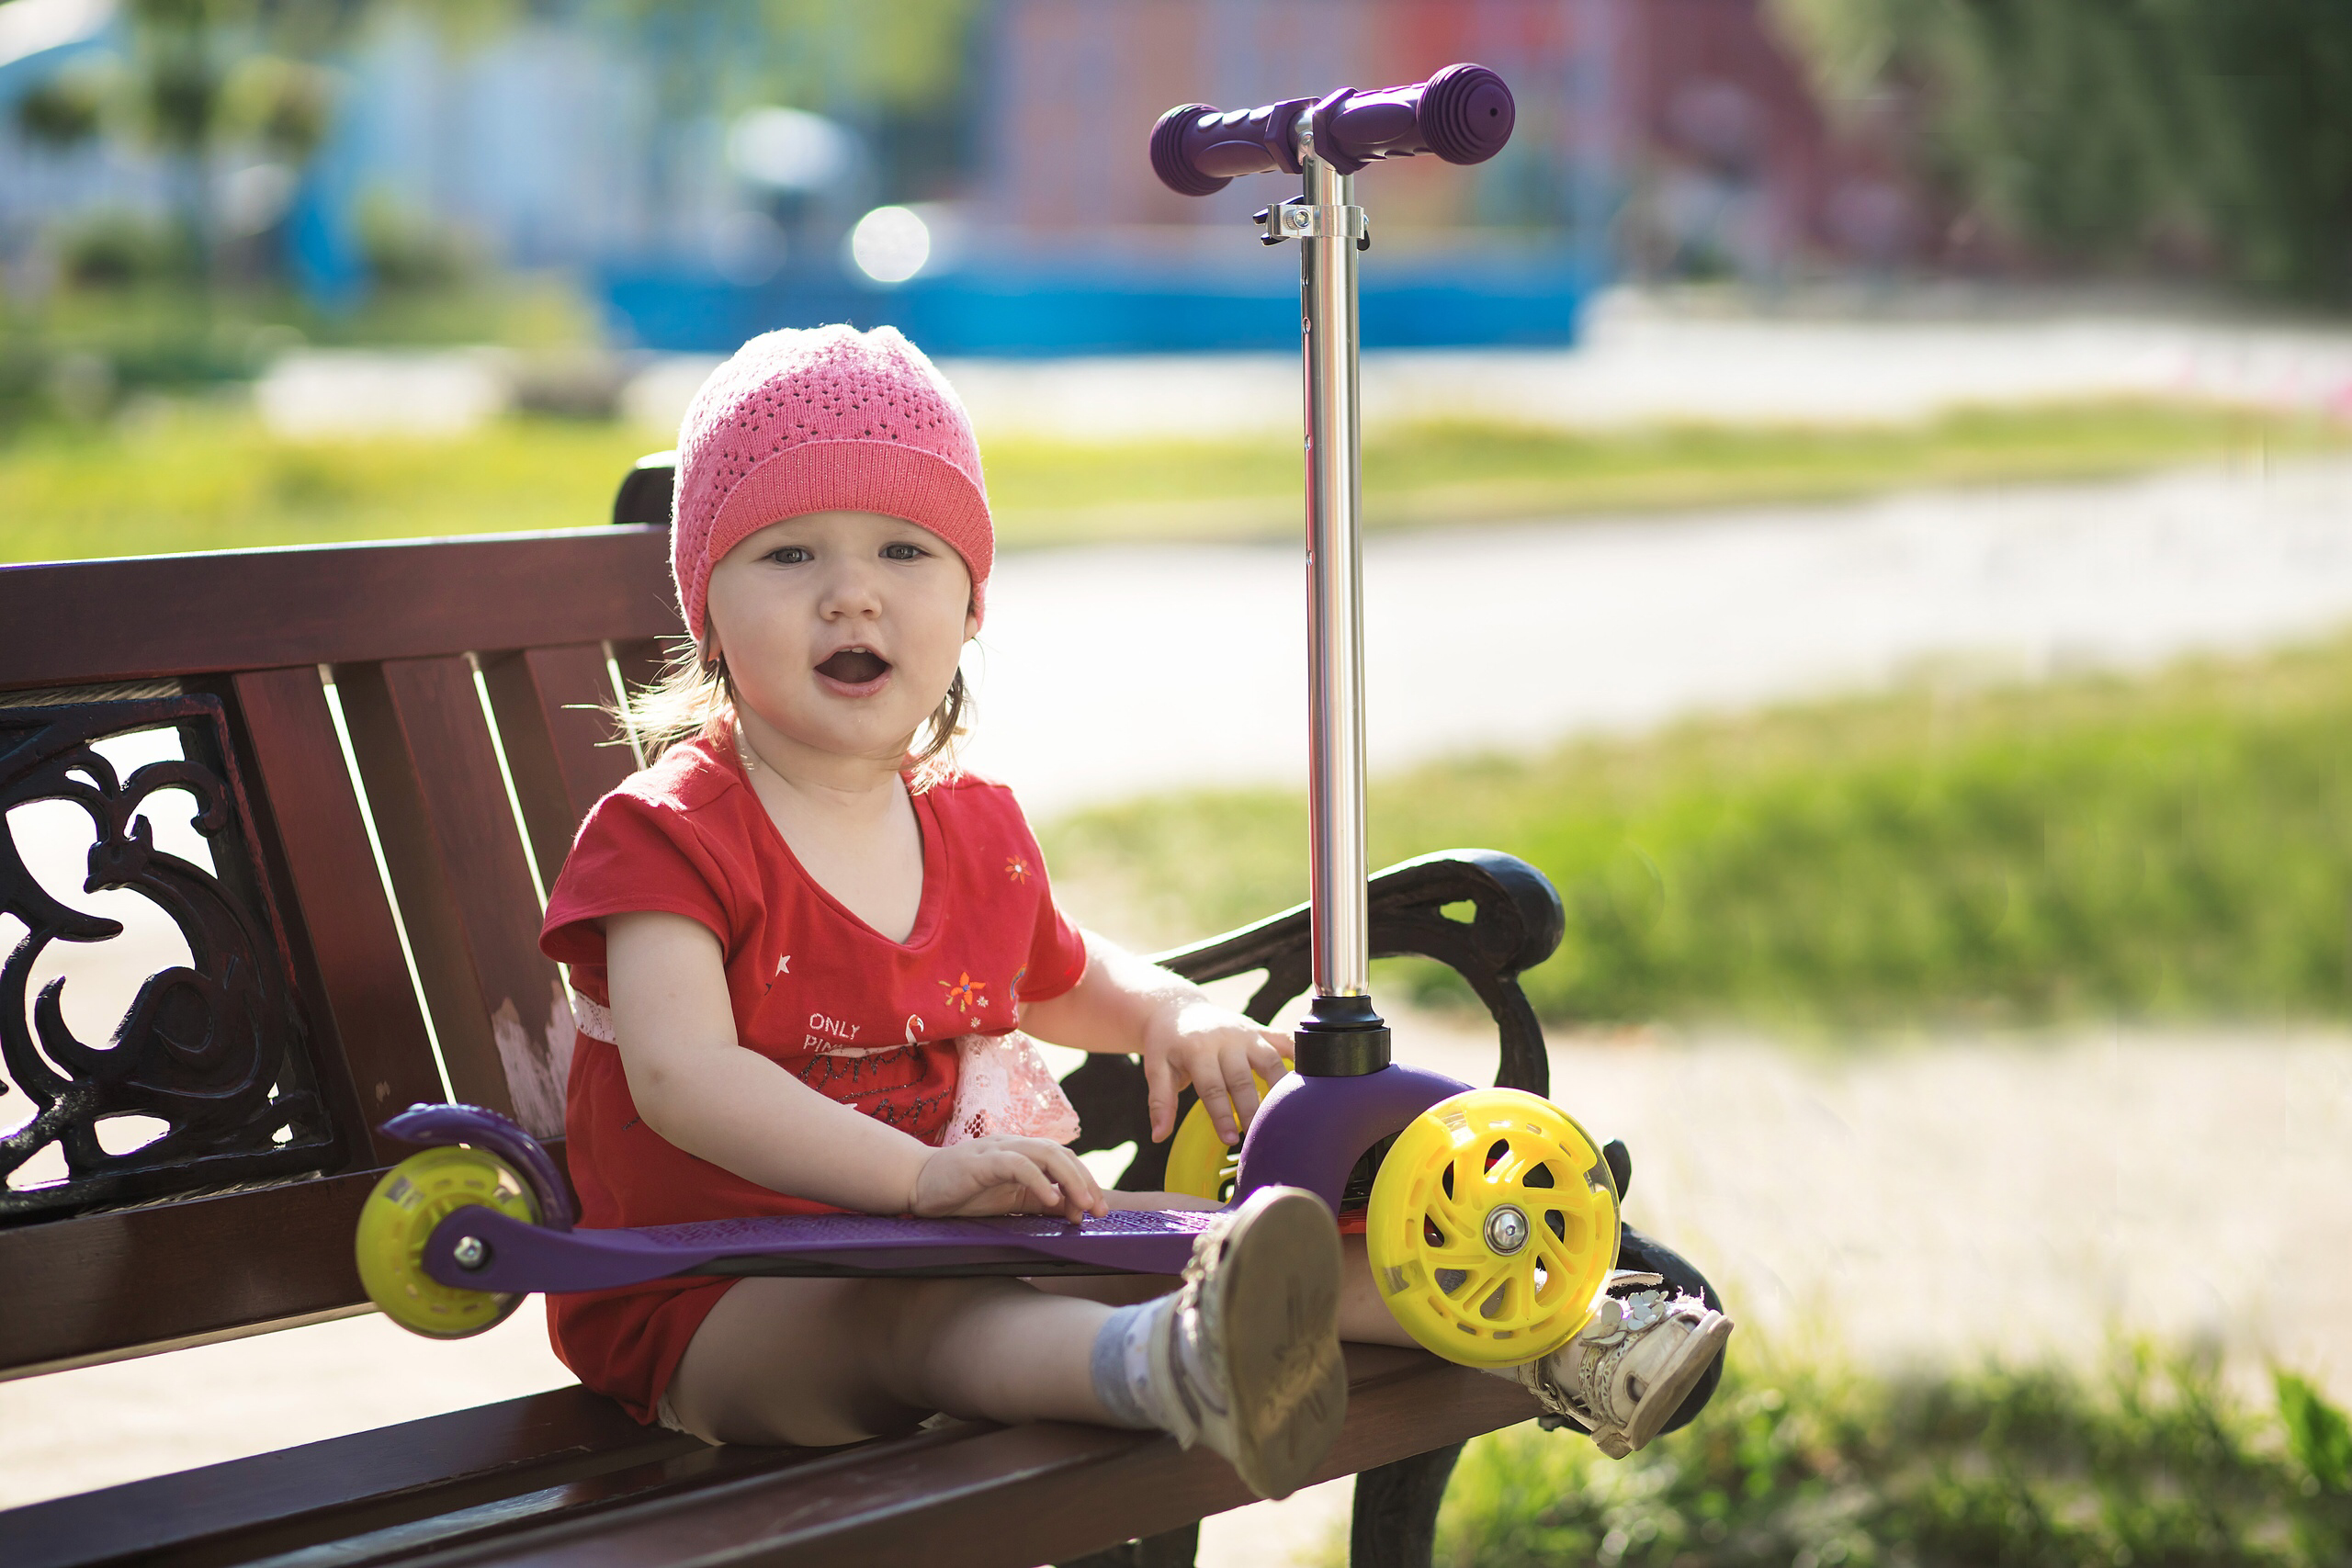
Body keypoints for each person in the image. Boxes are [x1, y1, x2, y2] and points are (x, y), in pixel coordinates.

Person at [537, 324, 1729, 1501]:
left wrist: (1171, 1011)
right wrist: (915, 1179)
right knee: (925, 1316)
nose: (852, 594)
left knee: (1191, 1229)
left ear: (970, 606)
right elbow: (681, 1077)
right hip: (714, 1296)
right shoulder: (666, 835)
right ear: (704, 605)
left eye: (904, 549)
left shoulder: (969, 826)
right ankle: (1178, 1365)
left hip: (950, 1234)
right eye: (789, 555)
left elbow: (1052, 972)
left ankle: (1559, 1330)